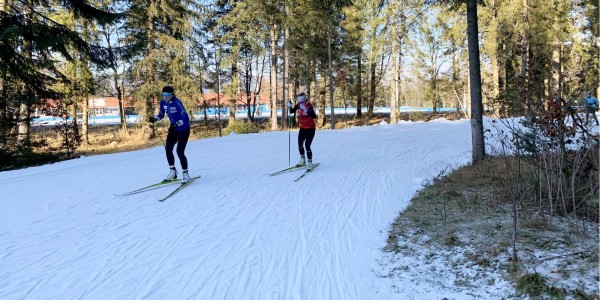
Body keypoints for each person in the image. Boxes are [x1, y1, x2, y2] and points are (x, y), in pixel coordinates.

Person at [149, 86, 192, 182]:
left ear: (172, 94)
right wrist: (155, 119)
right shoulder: (163, 102)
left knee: (179, 151)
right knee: (168, 149)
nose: (165, 97)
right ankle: (173, 172)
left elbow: (185, 117)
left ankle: (186, 174)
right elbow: (161, 114)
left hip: (183, 129)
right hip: (173, 129)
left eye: (167, 95)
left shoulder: (177, 103)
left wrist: (177, 124)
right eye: (163, 95)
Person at [288, 93, 317, 169]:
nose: (300, 102)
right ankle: (302, 159)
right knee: (300, 145)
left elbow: (314, 116)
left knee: (307, 145)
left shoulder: (309, 105)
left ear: (304, 99)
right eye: (299, 101)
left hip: (310, 128)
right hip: (302, 128)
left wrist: (307, 111)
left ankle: (310, 162)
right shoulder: (299, 105)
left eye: (301, 101)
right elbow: (291, 111)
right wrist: (290, 106)